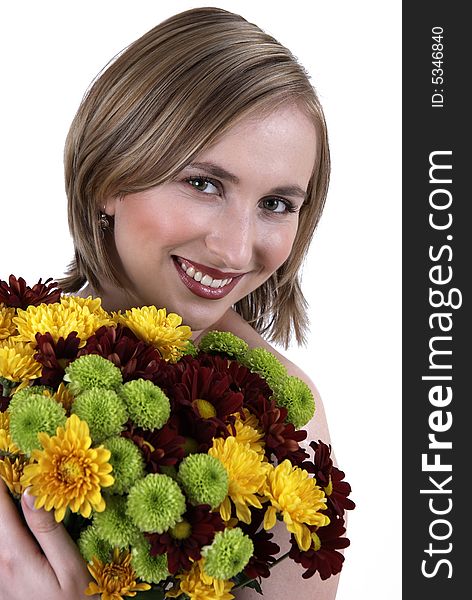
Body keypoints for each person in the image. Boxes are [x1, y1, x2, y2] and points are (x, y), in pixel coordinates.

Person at [0, 7, 341, 599]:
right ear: (109, 177)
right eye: (204, 184)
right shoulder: (13, 352)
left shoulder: (291, 433)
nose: (235, 249)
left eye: (278, 204)